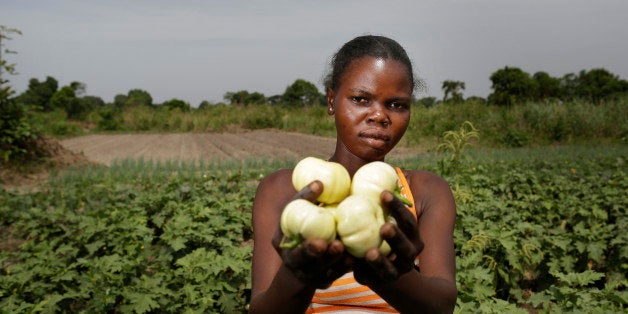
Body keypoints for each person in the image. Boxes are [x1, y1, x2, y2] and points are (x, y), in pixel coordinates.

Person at [249, 35, 457, 313]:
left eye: (397, 105)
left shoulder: (424, 192)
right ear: (332, 100)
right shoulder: (282, 191)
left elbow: (442, 306)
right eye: (361, 99)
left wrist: (389, 274)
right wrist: (297, 277)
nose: (379, 116)